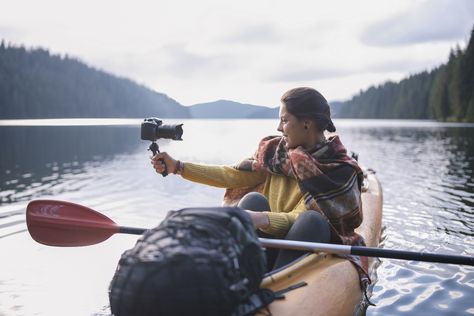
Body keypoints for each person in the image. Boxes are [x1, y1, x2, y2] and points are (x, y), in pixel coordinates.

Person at [150, 87, 366, 274]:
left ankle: (275, 283)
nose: (279, 128)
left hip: (305, 242)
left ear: (307, 124)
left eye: (284, 120)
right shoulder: (276, 153)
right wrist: (178, 167)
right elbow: (232, 175)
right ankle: (241, 273)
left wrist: (262, 219)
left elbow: (303, 218)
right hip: (271, 239)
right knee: (253, 199)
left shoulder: (339, 170)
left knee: (312, 220)